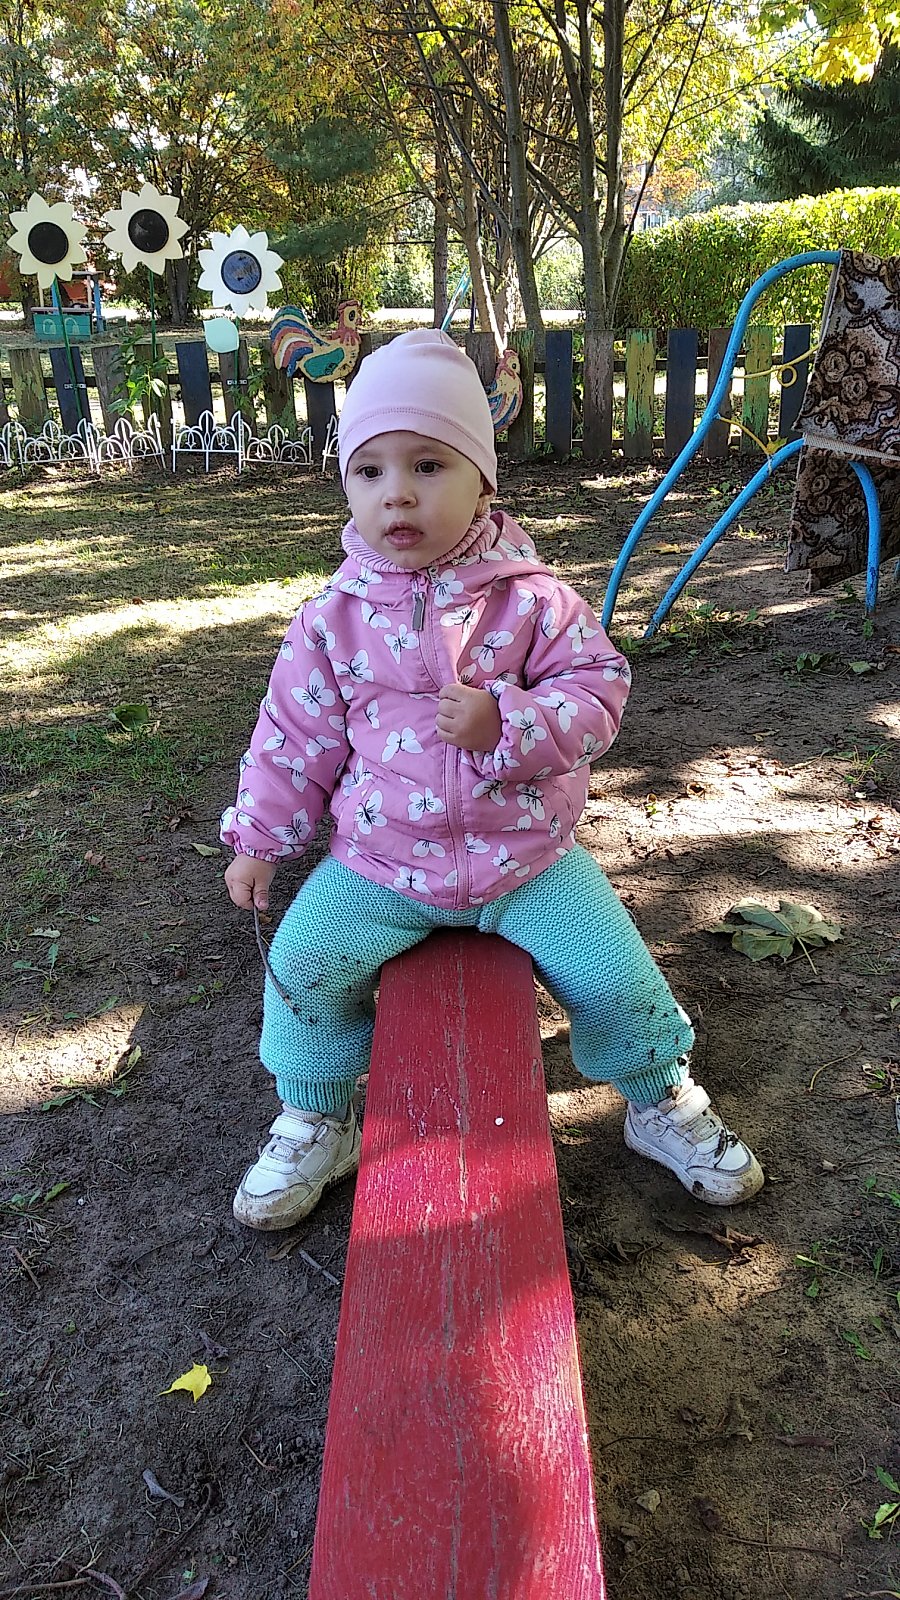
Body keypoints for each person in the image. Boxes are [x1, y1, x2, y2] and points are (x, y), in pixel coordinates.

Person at [221, 329, 764, 1230]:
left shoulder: (535, 601)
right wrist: (258, 842)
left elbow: (599, 692)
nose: (397, 493)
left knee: (614, 976)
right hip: (380, 865)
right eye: (369, 471)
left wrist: (506, 725)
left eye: (428, 464)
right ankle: (319, 1116)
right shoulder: (329, 621)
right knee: (302, 968)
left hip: (528, 860)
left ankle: (660, 1100)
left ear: (483, 480)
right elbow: (291, 737)